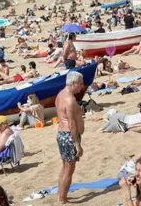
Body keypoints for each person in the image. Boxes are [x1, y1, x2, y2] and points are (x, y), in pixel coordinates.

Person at [56, 71, 85, 205]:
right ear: (73, 83)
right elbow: (72, 123)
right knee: (69, 169)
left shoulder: (60, 94)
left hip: (61, 134)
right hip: (69, 135)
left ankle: (60, 194)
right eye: (80, 83)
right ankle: (62, 199)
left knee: (65, 166)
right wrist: (77, 143)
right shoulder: (70, 99)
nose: (82, 87)